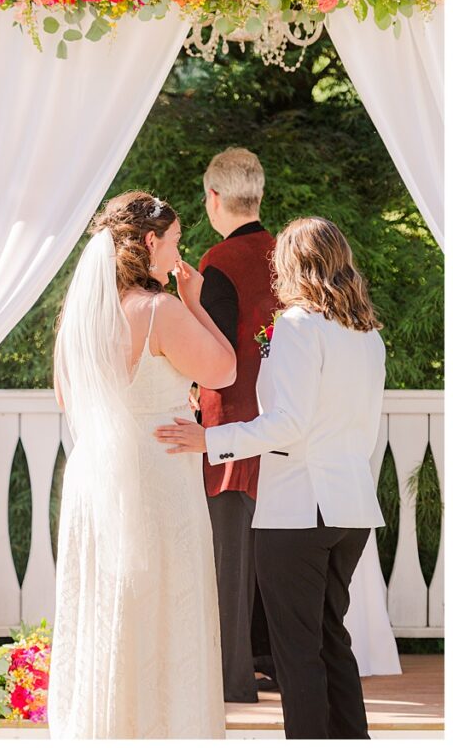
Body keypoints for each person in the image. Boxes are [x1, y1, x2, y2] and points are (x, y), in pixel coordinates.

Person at [156, 217, 386, 739]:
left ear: (291, 263)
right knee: (330, 640)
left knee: (297, 652)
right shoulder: (368, 335)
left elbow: (288, 423)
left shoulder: (299, 326)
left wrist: (211, 441)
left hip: (300, 508)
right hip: (350, 506)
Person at [48, 191, 235, 738]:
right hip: (157, 475)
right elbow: (223, 370)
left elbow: (66, 397)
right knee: (164, 606)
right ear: (151, 242)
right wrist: (194, 301)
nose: (179, 253)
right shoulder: (160, 310)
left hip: (95, 476)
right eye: (175, 241)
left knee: (107, 607)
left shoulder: (83, 314)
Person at [198, 147, 279, 702]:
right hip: (283, 424)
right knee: (274, 557)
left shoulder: (218, 262)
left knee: (229, 560)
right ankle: (271, 661)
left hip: (229, 426)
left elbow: (215, 356)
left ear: (214, 198)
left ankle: (231, 677)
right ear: (259, 194)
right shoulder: (286, 255)